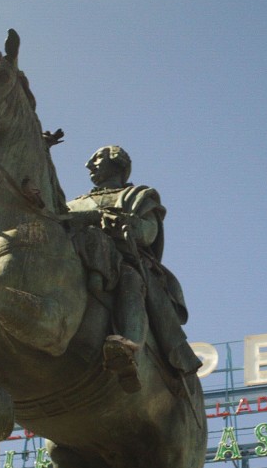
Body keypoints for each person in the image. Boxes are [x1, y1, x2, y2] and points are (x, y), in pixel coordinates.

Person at [67, 145, 201, 391]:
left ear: (117, 163)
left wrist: (118, 222)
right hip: (77, 256)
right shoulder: (74, 203)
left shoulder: (139, 198)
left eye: (96, 158)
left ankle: (128, 348)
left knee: (131, 279)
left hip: (123, 259)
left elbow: (146, 234)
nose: (88, 164)